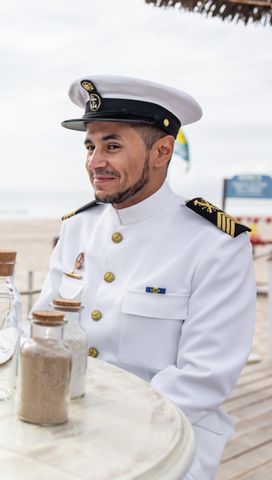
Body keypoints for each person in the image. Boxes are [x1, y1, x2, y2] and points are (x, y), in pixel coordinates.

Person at [34, 75, 255, 480]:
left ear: (162, 151)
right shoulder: (77, 228)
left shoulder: (216, 242)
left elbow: (203, 378)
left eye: (112, 145)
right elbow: (42, 330)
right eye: (90, 145)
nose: (94, 161)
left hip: (168, 444)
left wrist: (97, 430)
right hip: (64, 430)